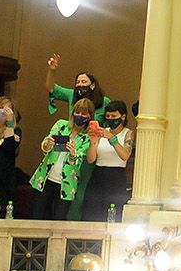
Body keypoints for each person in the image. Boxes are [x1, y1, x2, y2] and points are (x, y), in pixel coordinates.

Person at [45, 54, 110, 220]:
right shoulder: (72, 95)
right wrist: (52, 70)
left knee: (81, 191)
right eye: (78, 82)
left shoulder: (104, 101)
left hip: (89, 147)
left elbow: (112, 121)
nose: (80, 85)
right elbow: (51, 88)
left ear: (93, 85)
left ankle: (76, 222)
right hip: (69, 147)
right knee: (65, 187)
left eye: (84, 82)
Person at [30, 99, 93, 220]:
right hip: (44, 179)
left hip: (66, 185)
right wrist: (48, 144)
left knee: (59, 219)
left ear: (89, 116)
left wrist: (73, 154)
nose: (80, 116)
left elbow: (78, 161)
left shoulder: (86, 138)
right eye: (77, 112)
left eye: (84, 114)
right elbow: (45, 145)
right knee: (38, 216)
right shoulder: (61, 125)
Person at [82, 100, 132, 221]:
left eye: (114, 116)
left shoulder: (128, 133)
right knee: (91, 211)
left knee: (112, 213)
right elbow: (90, 159)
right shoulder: (102, 132)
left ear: (123, 116)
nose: (110, 118)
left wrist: (111, 138)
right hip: (98, 175)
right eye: (108, 116)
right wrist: (93, 143)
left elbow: (125, 155)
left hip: (116, 177)